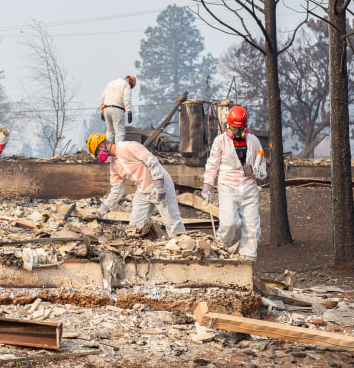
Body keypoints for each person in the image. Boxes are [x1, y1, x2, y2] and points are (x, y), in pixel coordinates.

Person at [81, 133, 186, 236]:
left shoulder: (129, 147)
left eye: (97, 153)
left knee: (172, 222)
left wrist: (159, 186)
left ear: (101, 146)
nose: (99, 157)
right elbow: (116, 191)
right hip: (143, 191)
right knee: (135, 227)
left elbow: (152, 162)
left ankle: (183, 247)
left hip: (161, 184)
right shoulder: (114, 166)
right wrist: (99, 213)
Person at [200, 105, 267, 261]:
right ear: (228, 125)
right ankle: (219, 252)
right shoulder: (220, 141)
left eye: (240, 128)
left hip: (249, 188)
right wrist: (207, 187)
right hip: (227, 187)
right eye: (234, 128)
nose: (236, 132)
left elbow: (262, 163)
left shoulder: (254, 141)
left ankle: (247, 258)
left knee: (252, 227)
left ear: (245, 126)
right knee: (229, 223)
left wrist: (259, 172)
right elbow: (212, 165)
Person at [99, 75, 135, 143]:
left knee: (109, 132)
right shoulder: (126, 85)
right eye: (131, 86)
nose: (130, 87)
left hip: (107, 109)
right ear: (130, 82)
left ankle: (107, 150)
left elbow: (101, 99)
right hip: (117, 110)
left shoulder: (110, 83)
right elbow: (126, 100)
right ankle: (118, 151)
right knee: (119, 133)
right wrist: (129, 112)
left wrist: (102, 110)